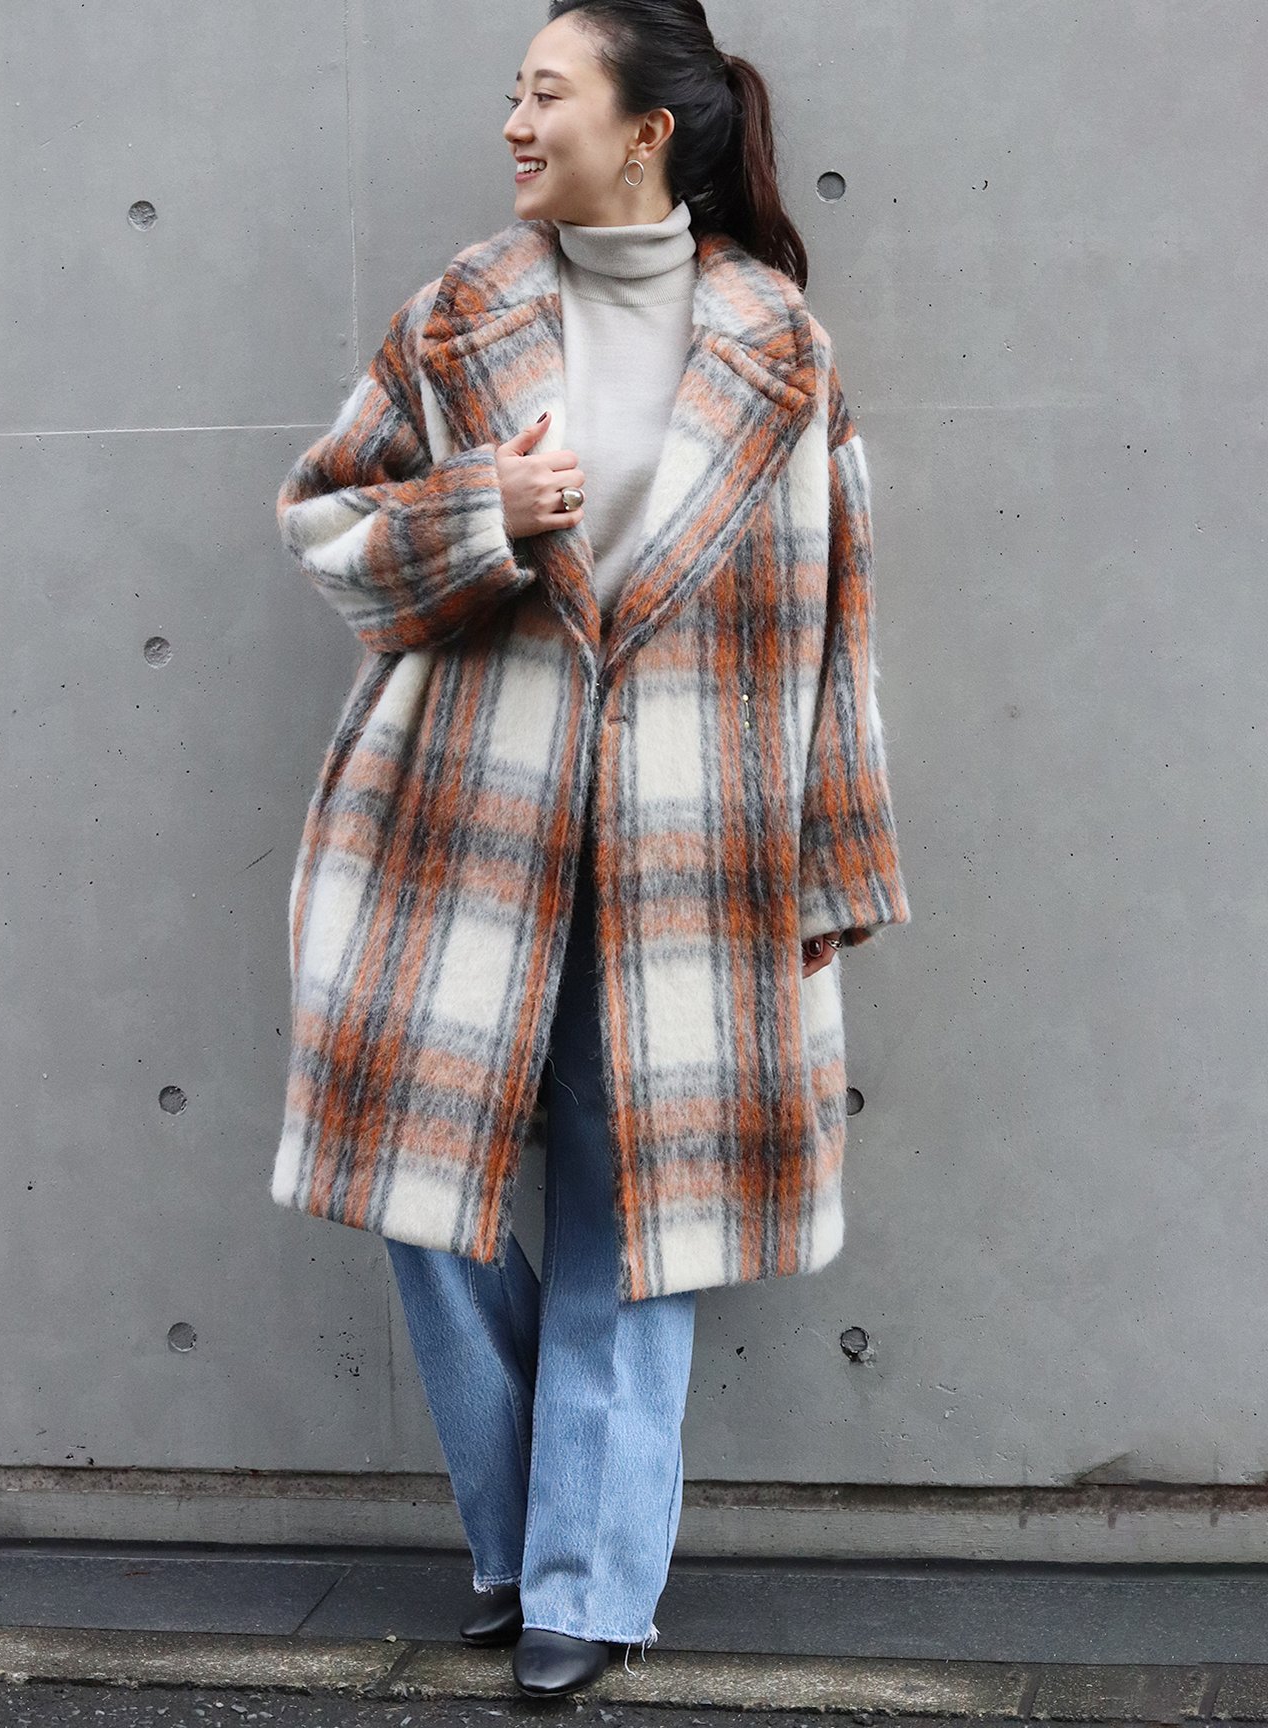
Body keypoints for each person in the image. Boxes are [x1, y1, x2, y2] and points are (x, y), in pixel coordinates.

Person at [270, 0, 912, 1700]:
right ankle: (520, 1532)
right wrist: (478, 512)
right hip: (456, 838)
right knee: (426, 1203)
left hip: (693, 857)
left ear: (646, 130)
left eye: (543, 91)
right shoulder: (462, 312)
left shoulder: (780, 346)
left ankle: (584, 1580)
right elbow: (325, 522)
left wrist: (834, 874)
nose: (511, 121)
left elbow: (839, 630)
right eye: (513, 91)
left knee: (639, 1223)